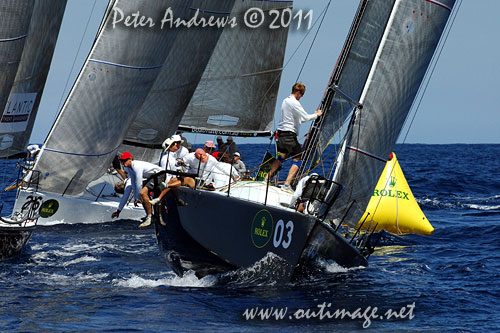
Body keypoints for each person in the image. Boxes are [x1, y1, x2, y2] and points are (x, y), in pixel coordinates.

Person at [267, 82, 323, 192]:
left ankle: (267, 179)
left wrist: (313, 115)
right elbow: (306, 117)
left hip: (281, 134)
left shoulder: (285, 101)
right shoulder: (294, 102)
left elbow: (299, 119)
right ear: (298, 92)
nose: (301, 97)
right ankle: (287, 185)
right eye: (302, 95)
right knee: (298, 159)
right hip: (289, 135)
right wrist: (317, 114)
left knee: (282, 157)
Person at [113, 152, 164, 228]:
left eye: (125, 160)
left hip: (160, 174)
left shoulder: (136, 166)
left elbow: (138, 182)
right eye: (122, 161)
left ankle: (150, 217)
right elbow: (134, 183)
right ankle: (149, 216)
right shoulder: (129, 169)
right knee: (141, 195)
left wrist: (119, 210)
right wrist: (136, 198)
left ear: (130, 159)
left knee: (142, 193)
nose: (123, 162)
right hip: (152, 177)